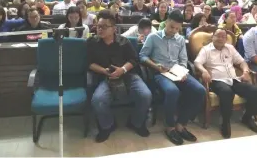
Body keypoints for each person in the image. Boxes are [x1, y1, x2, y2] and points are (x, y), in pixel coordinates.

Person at [139, 10, 206, 145]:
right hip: (160, 73)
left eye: (177, 28)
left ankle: (181, 124)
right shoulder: (153, 37)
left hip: (177, 72)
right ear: (166, 22)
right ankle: (170, 127)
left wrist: (182, 72)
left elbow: (183, 60)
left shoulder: (180, 39)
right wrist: (156, 66)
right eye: (171, 27)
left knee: (200, 90)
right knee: (172, 91)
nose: (173, 31)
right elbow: (142, 56)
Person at [88, 10, 152, 142]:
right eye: (98, 26)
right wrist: (105, 71)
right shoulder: (92, 42)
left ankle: (136, 122)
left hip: (128, 75)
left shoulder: (124, 41)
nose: (100, 29)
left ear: (113, 29)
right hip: (105, 77)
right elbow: (89, 64)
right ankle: (108, 125)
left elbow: (134, 60)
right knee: (97, 100)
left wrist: (122, 69)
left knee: (146, 95)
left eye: (104, 27)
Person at [194, 29, 257, 138]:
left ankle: (247, 118)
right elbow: (197, 62)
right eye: (218, 36)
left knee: (256, 91)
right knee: (227, 92)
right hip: (216, 81)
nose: (220, 38)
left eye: (223, 37)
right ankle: (225, 122)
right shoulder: (206, 50)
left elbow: (241, 61)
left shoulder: (230, 48)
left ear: (226, 39)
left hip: (234, 79)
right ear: (212, 37)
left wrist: (245, 71)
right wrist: (204, 71)